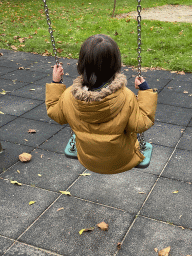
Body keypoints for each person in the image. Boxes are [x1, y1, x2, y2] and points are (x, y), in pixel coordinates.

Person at [45, 34, 158, 174]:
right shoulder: (126, 97)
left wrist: (56, 83)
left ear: (81, 64)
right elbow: (142, 122)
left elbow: (55, 113)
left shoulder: (69, 96)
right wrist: (145, 91)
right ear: (116, 64)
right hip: (122, 161)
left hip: (88, 160)